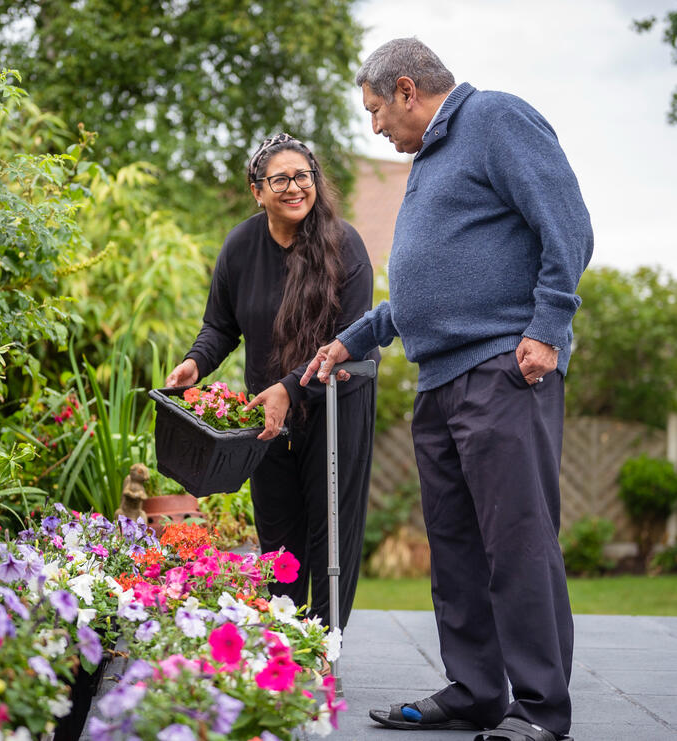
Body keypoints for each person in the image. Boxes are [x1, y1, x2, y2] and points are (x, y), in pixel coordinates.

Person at [301, 38, 593, 741]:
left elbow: (569, 226)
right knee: (456, 547)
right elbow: (425, 289)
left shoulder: (494, 119)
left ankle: (541, 710)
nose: (374, 127)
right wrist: (355, 337)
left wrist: (548, 326)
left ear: (407, 89)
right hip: (440, 380)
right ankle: (476, 689)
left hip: (502, 367)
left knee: (516, 542)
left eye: (375, 110)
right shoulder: (431, 162)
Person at [165, 133, 378, 630]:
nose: (293, 187)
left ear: (315, 182)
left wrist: (289, 387)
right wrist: (196, 363)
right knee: (279, 537)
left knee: (331, 534)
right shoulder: (241, 246)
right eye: (279, 179)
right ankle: (284, 641)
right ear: (257, 190)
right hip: (269, 417)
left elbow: (351, 338)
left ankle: (324, 646)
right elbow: (220, 326)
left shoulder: (345, 246)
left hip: (336, 407)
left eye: (303, 176)